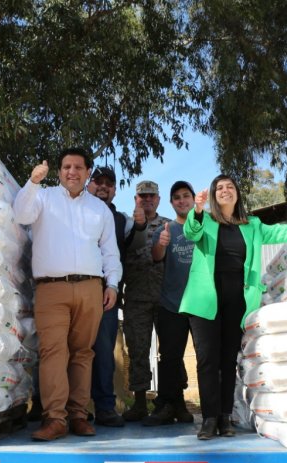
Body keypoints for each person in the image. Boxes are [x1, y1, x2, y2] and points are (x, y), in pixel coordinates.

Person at [180, 174, 287, 440]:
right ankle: (209, 419)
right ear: (213, 196)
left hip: (237, 300)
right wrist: (197, 209)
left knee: (228, 361)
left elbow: (282, 232)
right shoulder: (205, 221)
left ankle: (226, 417)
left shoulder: (253, 225)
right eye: (219, 188)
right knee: (207, 361)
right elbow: (190, 232)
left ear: (237, 193)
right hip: (204, 301)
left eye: (230, 187)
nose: (225, 191)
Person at [13, 147, 121, 441]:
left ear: (88, 173)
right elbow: (20, 213)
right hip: (51, 288)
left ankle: (78, 416)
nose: (71, 172)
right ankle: (55, 419)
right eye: (65, 167)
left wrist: (112, 284)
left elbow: (110, 251)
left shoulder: (99, 209)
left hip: (90, 288)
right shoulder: (43, 198)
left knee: (83, 353)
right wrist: (33, 181)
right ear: (59, 172)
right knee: (52, 353)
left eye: (77, 167)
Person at [86, 167, 146, 427]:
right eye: (97, 181)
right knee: (69, 351)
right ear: (89, 184)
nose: (103, 186)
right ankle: (69, 410)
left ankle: (105, 408)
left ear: (115, 190)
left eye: (108, 183)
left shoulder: (122, 220)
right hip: (72, 291)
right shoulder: (73, 208)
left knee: (104, 353)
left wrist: (141, 224)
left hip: (106, 296)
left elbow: (134, 245)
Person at [142, 180, 196, 426]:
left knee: (205, 358)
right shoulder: (167, 228)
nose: (182, 200)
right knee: (170, 357)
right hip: (171, 303)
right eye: (177, 197)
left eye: (186, 196)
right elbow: (155, 257)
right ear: (172, 203)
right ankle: (170, 405)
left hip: (202, 304)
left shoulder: (205, 226)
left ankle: (214, 410)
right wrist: (161, 244)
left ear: (194, 199)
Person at [121, 180, 171, 421]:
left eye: (152, 196)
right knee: (138, 351)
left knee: (169, 351)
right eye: (143, 197)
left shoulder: (169, 226)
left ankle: (170, 402)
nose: (147, 200)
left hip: (165, 298)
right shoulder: (127, 227)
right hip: (136, 298)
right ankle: (140, 403)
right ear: (135, 200)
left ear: (158, 200)